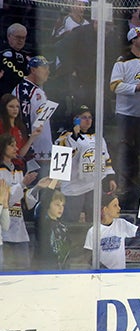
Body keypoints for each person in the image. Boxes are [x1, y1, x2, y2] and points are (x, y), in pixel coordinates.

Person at [109, 27, 140, 211]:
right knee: (128, 156)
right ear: (133, 40)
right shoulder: (122, 62)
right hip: (127, 115)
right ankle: (126, 198)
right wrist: (135, 87)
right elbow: (114, 86)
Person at [54, 105, 116, 223]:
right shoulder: (65, 137)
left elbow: (106, 158)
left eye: (90, 117)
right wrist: (75, 135)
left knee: (93, 221)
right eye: (83, 117)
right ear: (75, 120)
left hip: (93, 186)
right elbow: (62, 156)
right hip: (73, 187)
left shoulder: (98, 138)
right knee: (70, 221)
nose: (88, 120)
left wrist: (110, 177)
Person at [0, 134, 41, 270]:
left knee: (24, 273)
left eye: (16, 145)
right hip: (3, 232)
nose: (16, 148)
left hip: (19, 231)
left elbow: (25, 202)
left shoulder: (18, 171)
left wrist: (38, 187)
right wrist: (22, 184)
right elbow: (4, 200)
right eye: (11, 145)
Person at [12, 56, 53, 172]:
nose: (48, 71)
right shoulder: (23, 90)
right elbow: (21, 121)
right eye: (44, 67)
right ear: (33, 70)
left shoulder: (39, 90)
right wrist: (28, 149)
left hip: (45, 152)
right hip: (31, 154)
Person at [84, 193, 138, 270]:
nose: (119, 208)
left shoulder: (121, 223)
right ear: (105, 209)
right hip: (103, 275)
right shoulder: (93, 231)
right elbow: (88, 256)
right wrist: (103, 269)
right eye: (115, 205)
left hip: (120, 274)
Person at [0, 93, 40, 169]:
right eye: (11, 106)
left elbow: (20, 153)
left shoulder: (19, 127)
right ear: (4, 108)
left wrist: (32, 137)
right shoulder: (1, 126)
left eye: (17, 107)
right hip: (4, 167)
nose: (15, 109)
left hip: (19, 167)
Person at [35, 188, 70, 270]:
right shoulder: (43, 221)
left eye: (62, 205)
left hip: (61, 267)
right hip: (44, 266)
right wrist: (55, 179)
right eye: (57, 204)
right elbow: (46, 199)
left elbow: (66, 250)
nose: (61, 208)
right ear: (48, 205)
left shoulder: (63, 227)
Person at [0, 23, 29, 96]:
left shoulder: (28, 55)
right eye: (18, 37)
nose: (21, 40)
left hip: (22, 95)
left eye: (23, 38)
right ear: (9, 36)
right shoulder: (1, 53)